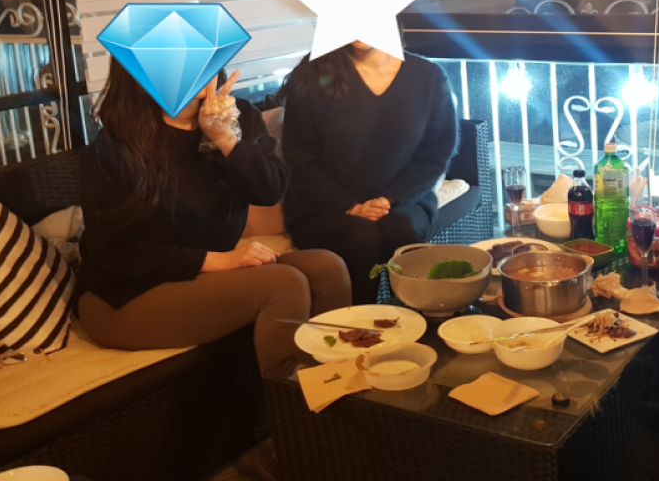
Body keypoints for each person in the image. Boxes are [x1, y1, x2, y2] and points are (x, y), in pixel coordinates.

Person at [77, 59, 351, 374]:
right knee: (284, 285)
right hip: (127, 292)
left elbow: (270, 190)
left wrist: (225, 138)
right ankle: (289, 402)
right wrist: (222, 260)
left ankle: (333, 386)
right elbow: (116, 251)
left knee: (328, 268)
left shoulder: (239, 115)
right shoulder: (114, 148)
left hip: (203, 272)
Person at [280, 40, 458, 304]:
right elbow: (300, 160)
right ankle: (361, 324)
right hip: (323, 207)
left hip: (405, 200)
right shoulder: (311, 75)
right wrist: (350, 206)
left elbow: (435, 155)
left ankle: (417, 319)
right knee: (361, 236)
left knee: (401, 230)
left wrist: (390, 199)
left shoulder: (427, 76)